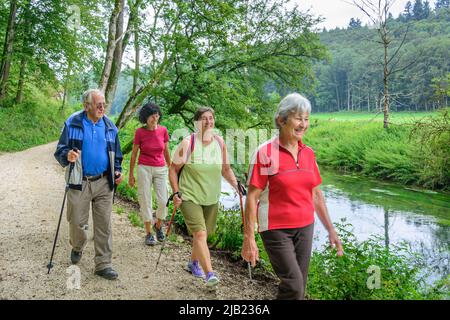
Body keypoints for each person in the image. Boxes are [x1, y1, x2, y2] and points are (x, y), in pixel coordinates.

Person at [241, 93, 343, 300]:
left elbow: (315, 194)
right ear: (281, 120)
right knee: (294, 286)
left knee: (299, 287)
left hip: (305, 226)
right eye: (298, 118)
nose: (303, 124)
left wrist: (331, 229)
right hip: (276, 228)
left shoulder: (309, 153)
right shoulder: (265, 153)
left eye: (306, 119)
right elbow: (252, 198)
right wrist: (249, 237)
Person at [54, 89, 123, 280]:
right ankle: (77, 246)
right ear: (87, 106)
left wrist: (117, 170)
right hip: (79, 181)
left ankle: (103, 264)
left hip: (103, 182)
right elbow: (60, 149)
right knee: (77, 222)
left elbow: (117, 155)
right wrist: (67, 156)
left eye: (104, 103)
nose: (102, 107)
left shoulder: (110, 126)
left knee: (104, 225)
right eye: (98, 104)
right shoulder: (73, 122)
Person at [169, 107, 240, 288]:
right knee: (199, 233)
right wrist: (176, 192)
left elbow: (226, 169)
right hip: (189, 196)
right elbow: (173, 169)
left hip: (211, 197)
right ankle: (210, 274)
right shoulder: (188, 143)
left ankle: (193, 263)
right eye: (203, 119)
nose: (208, 122)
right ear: (196, 122)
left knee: (204, 235)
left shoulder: (220, 143)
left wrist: (237, 186)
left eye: (211, 118)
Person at [128, 102, 171, 246]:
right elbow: (134, 154)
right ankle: (148, 233)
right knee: (145, 199)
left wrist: (171, 168)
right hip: (144, 167)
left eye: (157, 115)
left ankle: (158, 225)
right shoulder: (140, 132)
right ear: (145, 117)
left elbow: (166, 151)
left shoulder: (163, 130)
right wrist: (131, 175)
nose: (155, 118)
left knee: (163, 200)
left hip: (160, 168)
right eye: (152, 116)